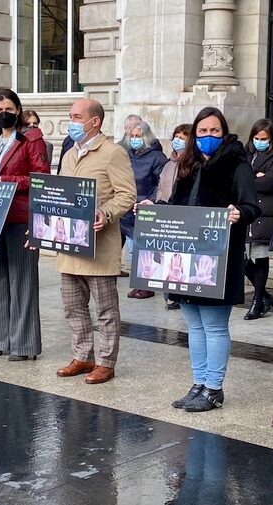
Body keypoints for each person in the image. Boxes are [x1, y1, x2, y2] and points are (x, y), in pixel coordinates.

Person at [167, 107, 260, 412]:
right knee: (194, 325)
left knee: (214, 326)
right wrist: (153, 210)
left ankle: (214, 388)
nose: (208, 136)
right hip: (185, 256)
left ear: (224, 133)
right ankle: (198, 382)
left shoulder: (237, 165)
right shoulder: (188, 165)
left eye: (214, 131)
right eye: (202, 131)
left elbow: (251, 206)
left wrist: (239, 214)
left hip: (217, 258)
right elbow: (174, 206)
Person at [55, 98, 136, 384]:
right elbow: (60, 196)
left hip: (99, 247)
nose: (72, 121)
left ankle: (106, 361)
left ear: (94, 122)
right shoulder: (68, 153)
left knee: (105, 309)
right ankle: (83, 356)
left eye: (76, 116)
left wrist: (106, 212)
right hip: (70, 245)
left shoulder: (113, 152)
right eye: (71, 115)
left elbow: (127, 194)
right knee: (73, 306)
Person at [0, 88, 50, 360]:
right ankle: (0, 338)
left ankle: (24, 344)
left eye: (8, 109)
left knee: (22, 281)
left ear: (18, 110)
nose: (3, 114)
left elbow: (41, 178)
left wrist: (9, 182)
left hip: (20, 216)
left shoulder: (31, 140)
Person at [244, 118, 273, 320]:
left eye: (264, 139)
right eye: (257, 138)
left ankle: (258, 299)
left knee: (260, 256)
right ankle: (265, 297)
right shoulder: (248, 153)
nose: (260, 141)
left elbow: (270, 183)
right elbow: (237, 178)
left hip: (265, 212)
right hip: (246, 211)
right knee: (242, 258)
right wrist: (256, 176)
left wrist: (251, 179)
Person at [146, 123, 191, 309]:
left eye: (182, 138)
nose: (177, 141)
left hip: (182, 216)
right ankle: (171, 295)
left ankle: (181, 294)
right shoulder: (169, 163)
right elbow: (160, 186)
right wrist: (156, 203)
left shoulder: (192, 164)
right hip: (164, 212)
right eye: (176, 137)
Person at [120, 119, 166, 300]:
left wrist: (150, 200)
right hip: (128, 208)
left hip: (146, 207)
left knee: (144, 251)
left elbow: (160, 184)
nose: (134, 139)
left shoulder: (157, 157)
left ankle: (147, 285)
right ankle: (139, 283)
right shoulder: (126, 154)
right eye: (132, 136)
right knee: (132, 251)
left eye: (138, 136)